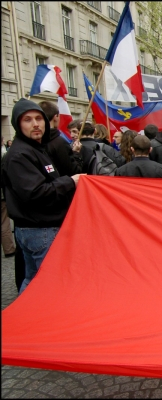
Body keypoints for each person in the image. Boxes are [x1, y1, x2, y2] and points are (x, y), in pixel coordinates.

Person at [1, 98, 83, 294]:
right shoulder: (20, 155)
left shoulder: (35, 149)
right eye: (27, 120)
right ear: (18, 124)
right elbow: (36, 193)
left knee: (33, 281)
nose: (35, 124)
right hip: (40, 229)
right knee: (49, 286)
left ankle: (28, 319)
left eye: (39, 118)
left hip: (39, 227)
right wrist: (71, 182)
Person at [38, 101, 83, 177]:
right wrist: (76, 153)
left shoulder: (35, 140)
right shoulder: (59, 142)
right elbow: (74, 172)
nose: (72, 135)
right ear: (56, 117)